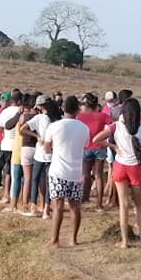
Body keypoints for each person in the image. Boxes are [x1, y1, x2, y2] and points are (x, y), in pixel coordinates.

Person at [93, 98, 141, 248]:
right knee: (139, 206)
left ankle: (124, 241)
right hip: (136, 167)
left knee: (124, 205)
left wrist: (113, 146)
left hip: (120, 166)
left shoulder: (116, 126)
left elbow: (96, 139)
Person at [43, 95, 88, 247]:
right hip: (75, 172)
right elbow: (85, 145)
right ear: (77, 110)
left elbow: (47, 148)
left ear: (63, 109)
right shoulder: (84, 128)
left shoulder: (55, 126)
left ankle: (55, 240)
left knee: (58, 206)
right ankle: (73, 239)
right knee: (75, 207)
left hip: (58, 171)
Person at [25, 97, 59, 219]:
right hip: (53, 153)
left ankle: (33, 207)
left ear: (40, 106)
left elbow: (22, 129)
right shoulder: (57, 119)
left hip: (40, 153)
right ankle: (46, 209)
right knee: (49, 182)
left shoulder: (39, 118)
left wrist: (37, 135)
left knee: (35, 179)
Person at [78, 93, 111, 209]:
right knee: (98, 175)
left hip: (86, 147)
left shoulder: (81, 116)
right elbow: (112, 124)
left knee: (85, 175)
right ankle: (99, 204)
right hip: (99, 147)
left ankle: (83, 198)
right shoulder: (102, 116)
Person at [0, 91, 23, 202]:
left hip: (6, 144)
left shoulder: (5, 111)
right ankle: (17, 196)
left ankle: (6, 195)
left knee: (7, 171)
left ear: (11, 100)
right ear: (20, 101)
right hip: (18, 144)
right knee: (19, 172)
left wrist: (5, 133)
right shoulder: (21, 111)